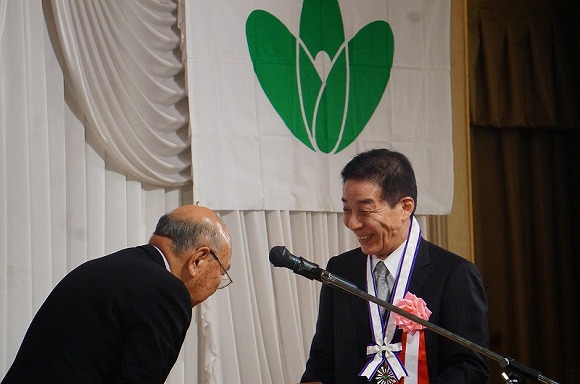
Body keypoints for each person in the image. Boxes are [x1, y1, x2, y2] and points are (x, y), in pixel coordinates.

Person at [300, 149, 489, 384]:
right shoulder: (339, 270)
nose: (352, 222)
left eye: (365, 210)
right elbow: (322, 360)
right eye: (347, 209)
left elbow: (470, 367)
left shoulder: (454, 274)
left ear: (405, 207)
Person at [2, 205, 232, 383]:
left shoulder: (111, 268)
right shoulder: (166, 291)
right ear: (199, 258)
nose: (217, 283)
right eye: (222, 271)